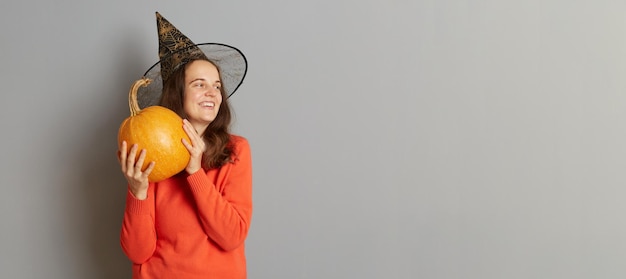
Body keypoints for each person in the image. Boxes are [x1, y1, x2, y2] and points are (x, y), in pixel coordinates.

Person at [117, 12, 252, 279]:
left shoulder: (236, 150)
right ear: (178, 93)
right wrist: (137, 191)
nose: (212, 93)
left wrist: (195, 172)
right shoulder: (150, 148)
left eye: (216, 86)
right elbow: (138, 253)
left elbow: (231, 235)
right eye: (199, 84)